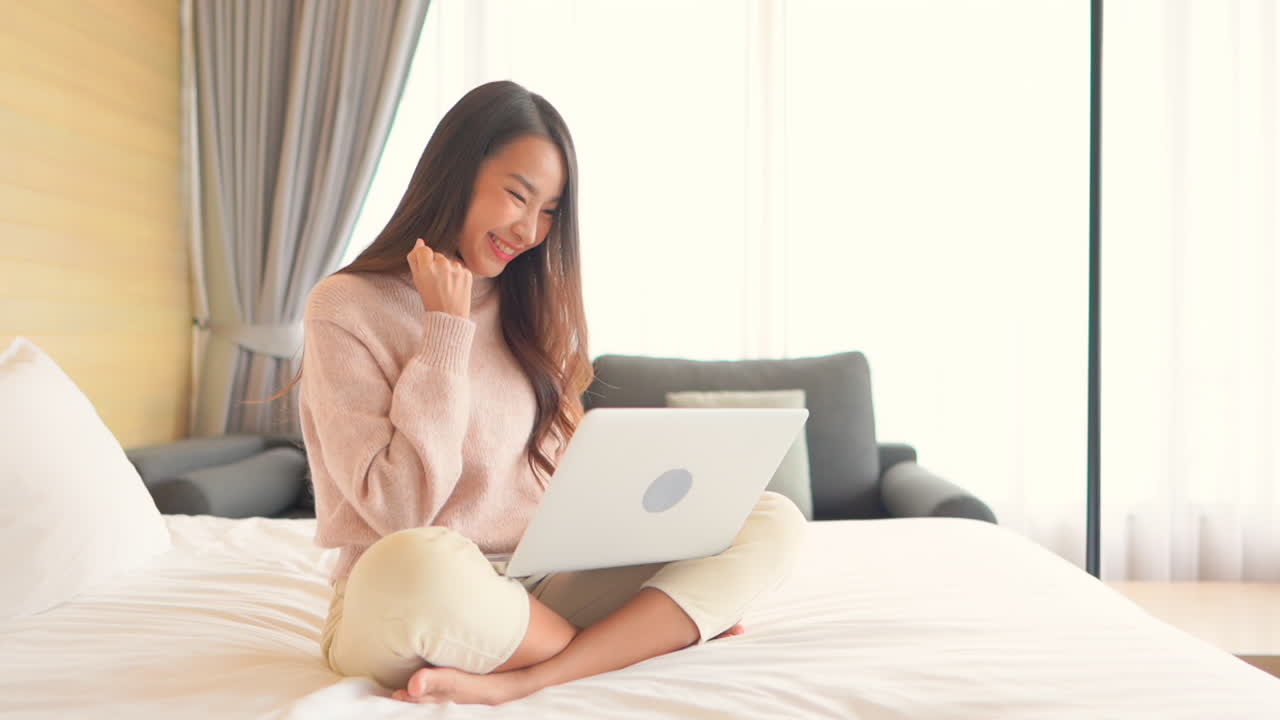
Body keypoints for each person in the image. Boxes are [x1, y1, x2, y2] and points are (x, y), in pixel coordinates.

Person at [293, 80, 805, 705]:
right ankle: (631, 642)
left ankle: (537, 675)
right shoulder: (345, 307)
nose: (530, 229)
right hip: (414, 596)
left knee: (771, 518)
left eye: (549, 212)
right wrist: (445, 334)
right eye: (517, 195)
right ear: (457, 172)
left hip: (539, 587)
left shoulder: (530, 310)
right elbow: (401, 515)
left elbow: (565, 486)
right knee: (415, 564)